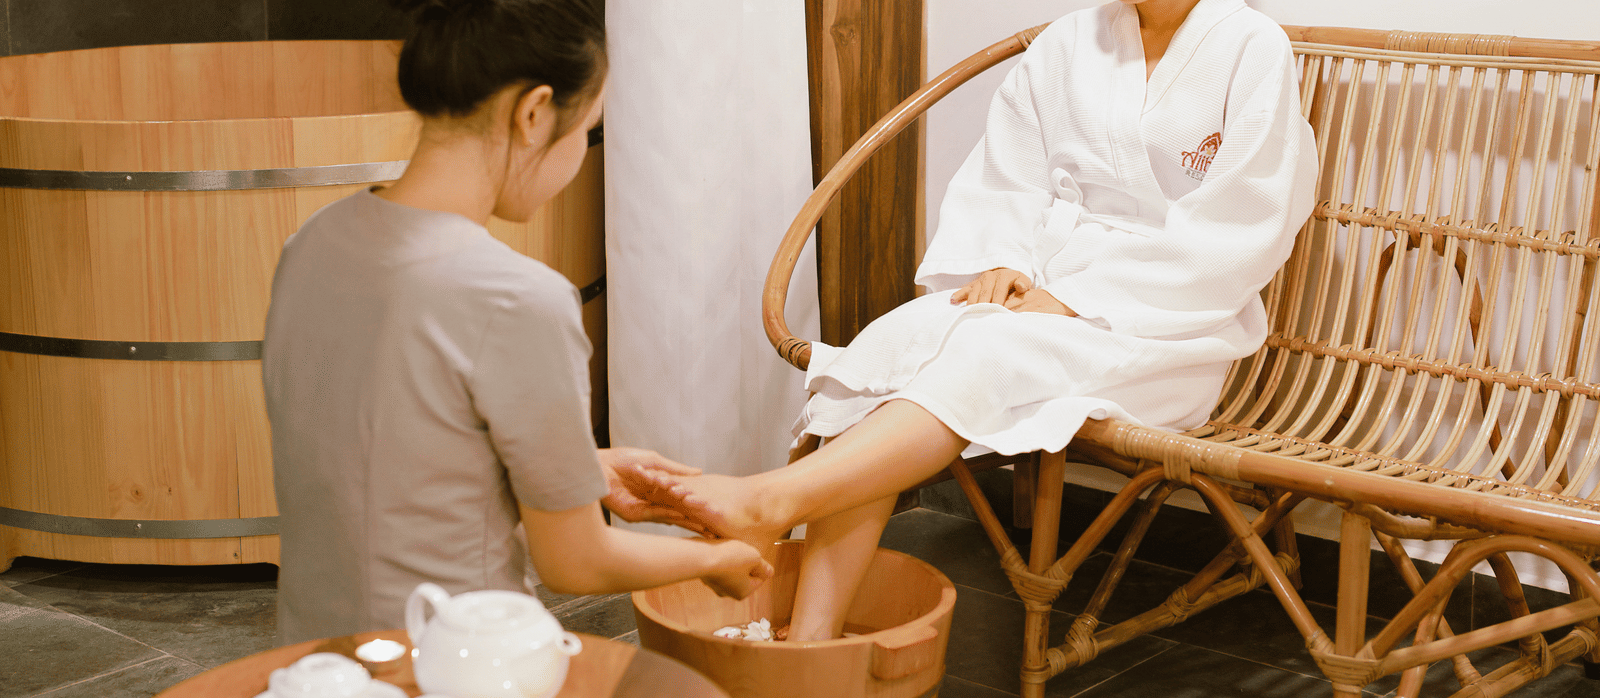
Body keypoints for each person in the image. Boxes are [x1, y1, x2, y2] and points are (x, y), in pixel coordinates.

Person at [627, 0, 1319, 642]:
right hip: (1041, 285)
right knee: (886, 346)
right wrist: (1001, 263)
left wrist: (1085, 299)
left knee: (986, 358)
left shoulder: (1250, 46)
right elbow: (1007, 180)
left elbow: (1242, 223)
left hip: (1165, 322)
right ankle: (810, 645)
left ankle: (767, 501)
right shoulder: (1069, 42)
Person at [262, 0, 771, 645]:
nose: (580, 155)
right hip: (453, 666)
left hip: (317, 662)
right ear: (533, 114)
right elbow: (576, 562)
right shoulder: (516, 298)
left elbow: (374, 448)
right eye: (586, 130)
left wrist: (578, 465)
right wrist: (714, 560)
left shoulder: (312, 243)